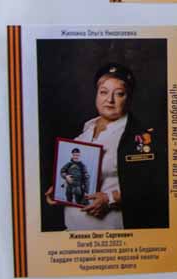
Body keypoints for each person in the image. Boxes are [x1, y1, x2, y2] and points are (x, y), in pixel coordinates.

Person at [45, 63, 168, 231]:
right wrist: (60, 188)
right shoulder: (86, 130)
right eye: (103, 92)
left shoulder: (139, 136)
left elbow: (153, 186)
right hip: (72, 231)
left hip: (110, 234)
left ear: (129, 98)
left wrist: (110, 199)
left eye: (119, 94)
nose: (109, 100)